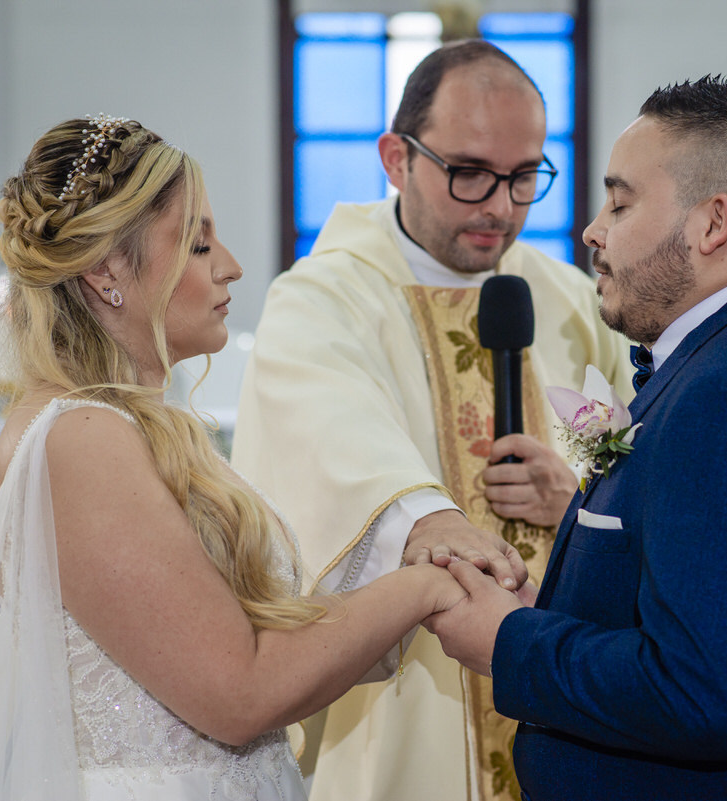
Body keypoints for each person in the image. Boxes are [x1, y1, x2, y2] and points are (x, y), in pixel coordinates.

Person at [0, 115, 466, 801]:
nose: (232, 265)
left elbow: (226, 648)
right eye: (200, 243)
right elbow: (239, 690)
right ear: (107, 271)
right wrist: (424, 588)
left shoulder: (115, 425)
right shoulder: (80, 437)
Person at [428, 75, 727, 800]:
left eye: (620, 201)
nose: (593, 230)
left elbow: (701, 696)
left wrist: (507, 640)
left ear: (712, 224)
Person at [230, 40, 630, 801]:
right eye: (469, 173)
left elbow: (634, 450)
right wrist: (426, 522)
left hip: (560, 679)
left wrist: (576, 493)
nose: (500, 207)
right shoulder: (325, 297)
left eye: (524, 178)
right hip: (410, 690)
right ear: (395, 158)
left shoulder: (568, 299)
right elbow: (327, 435)